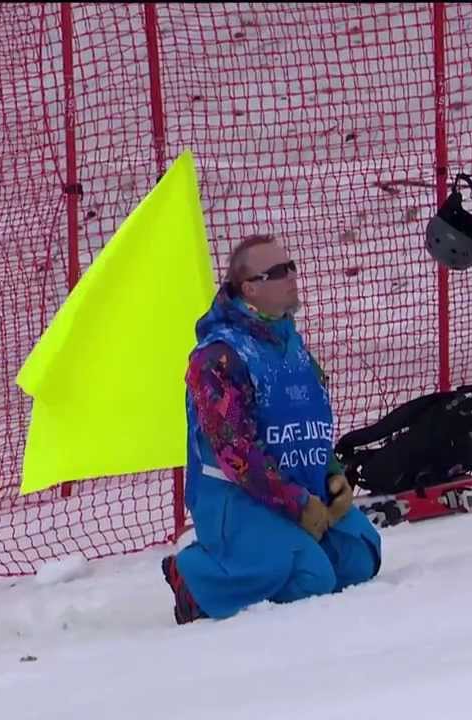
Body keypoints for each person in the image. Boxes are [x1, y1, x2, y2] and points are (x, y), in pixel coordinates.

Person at [160, 234, 382, 624]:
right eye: (278, 272)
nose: (292, 277)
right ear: (249, 288)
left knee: (360, 558)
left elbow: (308, 424)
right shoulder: (218, 357)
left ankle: (266, 555)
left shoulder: (291, 344)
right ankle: (194, 577)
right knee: (309, 578)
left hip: (300, 487)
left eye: (291, 266)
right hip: (238, 498)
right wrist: (297, 504)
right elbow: (236, 454)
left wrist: (333, 476)